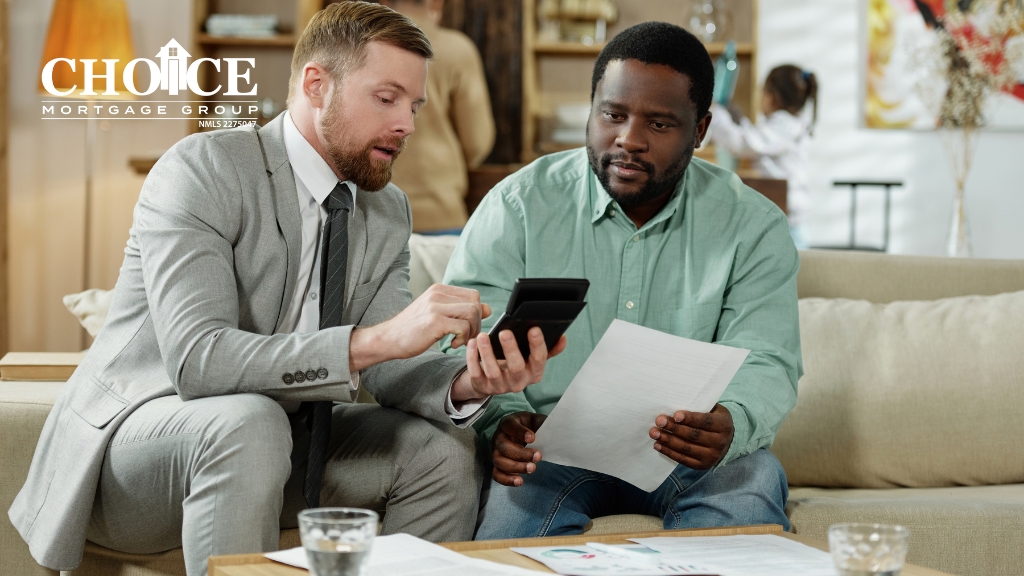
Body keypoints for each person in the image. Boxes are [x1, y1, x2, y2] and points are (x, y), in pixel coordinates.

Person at [9, 4, 562, 575]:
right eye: (386, 98)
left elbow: (392, 369)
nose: (408, 125)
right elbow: (199, 362)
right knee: (249, 422)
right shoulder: (203, 170)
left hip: (289, 443)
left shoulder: (386, 209)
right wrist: (377, 339)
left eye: (415, 105)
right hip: (138, 450)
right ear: (316, 85)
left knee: (441, 450)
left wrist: (473, 380)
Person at [441, 21, 802, 539]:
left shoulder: (752, 225)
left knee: (753, 480)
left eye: (659, 124)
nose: (628, 140)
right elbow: (463, 340)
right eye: (612, 114)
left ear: (699, 131)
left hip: (684, 453)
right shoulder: (518, 205)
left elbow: (769, 357)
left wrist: (732, 421)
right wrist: (505, 421)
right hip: (549, 449)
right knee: (509, 536)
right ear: (592, 110)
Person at [379, 0, 495, 234]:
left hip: (372, 219)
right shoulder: (457, 49)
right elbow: (478, 142)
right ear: (436, 2)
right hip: (440, 212)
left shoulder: (357, 46)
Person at [707, 64, 818, 248]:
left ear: (772, 98)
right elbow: (756, 138)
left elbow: (742, 144)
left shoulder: (784, 126)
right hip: (792, 221)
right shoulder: (789, 125)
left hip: (790, 226)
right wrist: (739, 119)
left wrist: (716, 115)